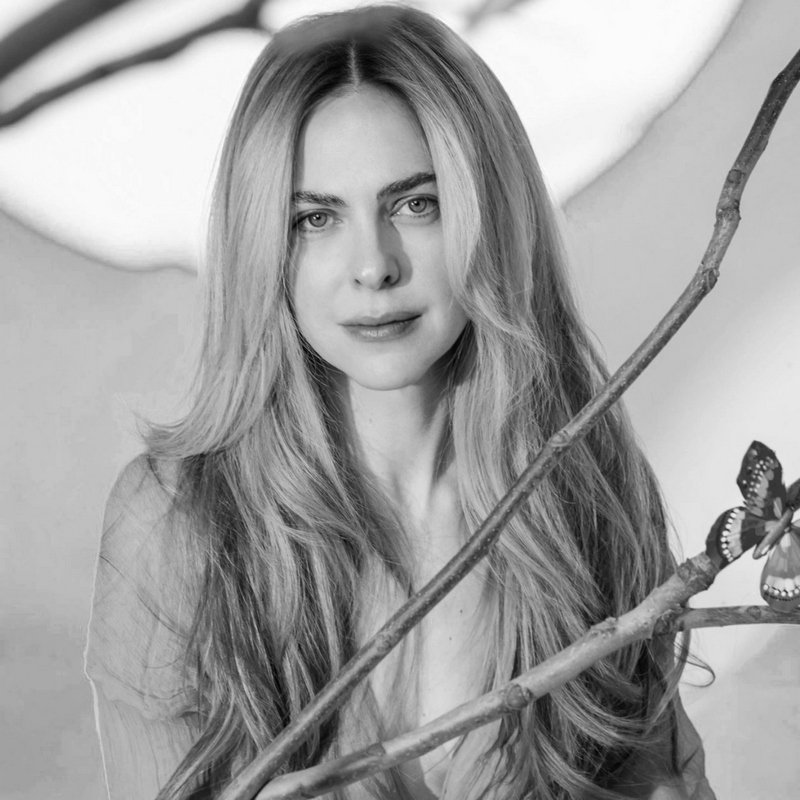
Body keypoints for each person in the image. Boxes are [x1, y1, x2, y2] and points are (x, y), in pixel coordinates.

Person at [85, 5, 715, 799]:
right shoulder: (178, 523)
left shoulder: (583, 497)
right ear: (261, 246)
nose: (373, 266)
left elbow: (664, 780)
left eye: (416, 204)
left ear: (490, 212)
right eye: (315, 218)